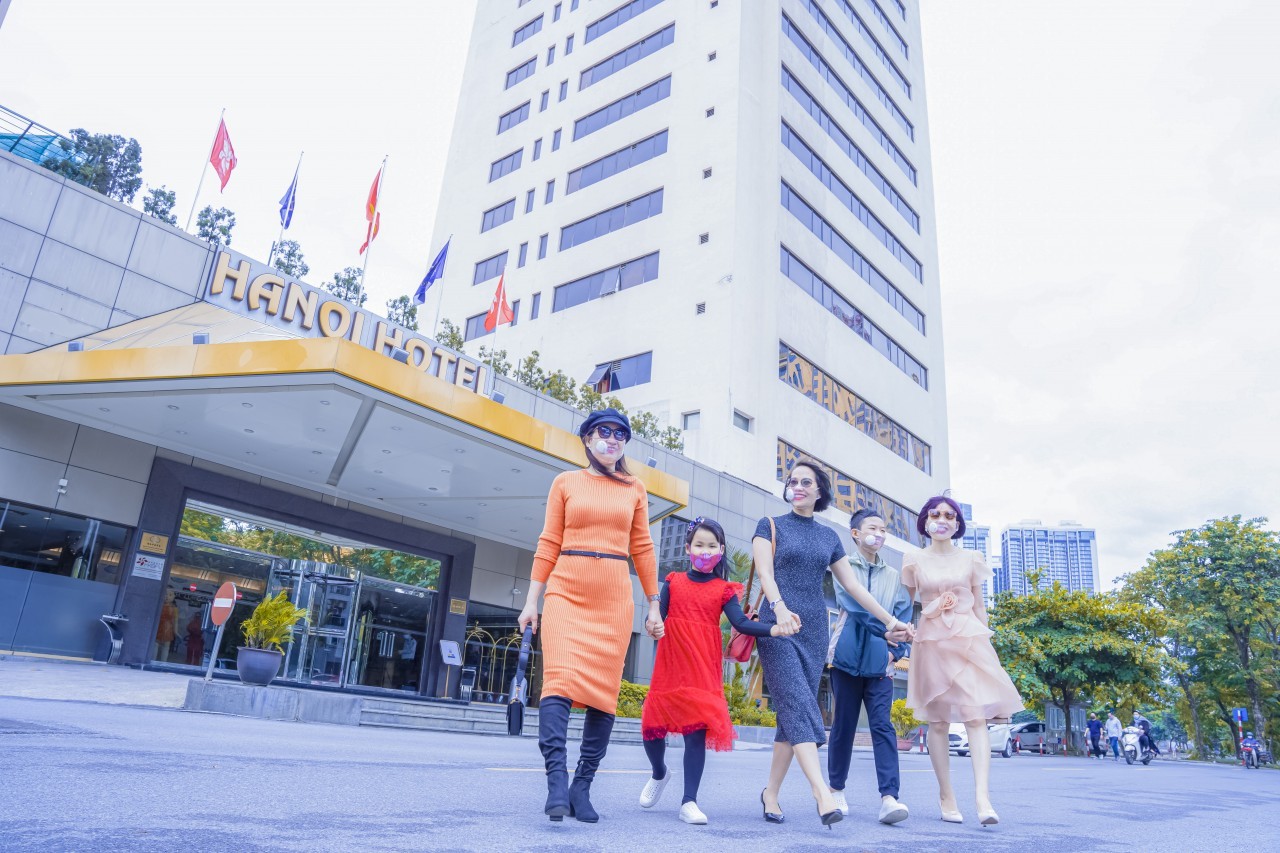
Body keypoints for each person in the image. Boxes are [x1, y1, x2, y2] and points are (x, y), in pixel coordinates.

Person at [518, 408, 663, 823]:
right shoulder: (565, 482)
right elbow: (548, 542)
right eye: (605, 431)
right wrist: (532, 601)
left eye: (621, 434)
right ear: (587, 438)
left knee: (604, 691)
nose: (613, 439)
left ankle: (583, 786)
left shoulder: (634, 488)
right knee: (558, 683)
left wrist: (653, 604)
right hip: (566, 591)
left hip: (614, 598)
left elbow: (644, 548)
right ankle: (556, 783)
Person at [754, 459, 913, 830]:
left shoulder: (828, 537)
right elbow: (764, 573)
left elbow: (854, 588)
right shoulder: (771, 525)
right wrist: (778, 610)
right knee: (796, 701)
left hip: (812, 631)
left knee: (789, 716)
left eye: (806, 482)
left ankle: (771, 793)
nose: (798, 487)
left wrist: (890, 622)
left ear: (820, 491)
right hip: (777, 626)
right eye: (793, 481)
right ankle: (822, 793)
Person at [638, 517, 793, 825]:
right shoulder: (673, 581)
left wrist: (774, 629)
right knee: (651, 729)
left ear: (721, 551)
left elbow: (741, 623)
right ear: (687, 548)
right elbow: (659, 617)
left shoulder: (725, 589)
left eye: (711, 546)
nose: (705, 551)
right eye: (699, 545)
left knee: (695, 735)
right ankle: (659, 772)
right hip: (670, 665)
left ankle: (689, 801)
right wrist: (652, 624)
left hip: (702, 669)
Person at [901, 495, 1023, 826]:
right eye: (936, 514)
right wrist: (899, 633)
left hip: (968, 639)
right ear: (925, 520)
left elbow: (980, 604)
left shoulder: (972, 557)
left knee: (976, 717)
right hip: (930, 643)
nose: (942, 519)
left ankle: (983, 798)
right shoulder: (912, 558)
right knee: (937, 722)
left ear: (957, 524)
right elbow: (905, 603)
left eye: (949, 516)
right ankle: (947, 796)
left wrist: (988, 648)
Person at [826, 508, 913, 825]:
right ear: (855, 533)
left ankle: (889, 798)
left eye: (883, 529)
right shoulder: (842, 567)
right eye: (873, 528)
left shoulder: (893, 577)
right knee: (843, 727)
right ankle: (836, 790)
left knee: (883, 727)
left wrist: (896, 651)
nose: (879, 533)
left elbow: (904, 618)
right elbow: (855, 609)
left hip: (881, 666)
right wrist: (886, 629)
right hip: (845, 661)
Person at [154, 589, 178, 662]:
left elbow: (175, 621)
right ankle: (153, 660)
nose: (167, 596)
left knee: (166, 646)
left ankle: (163, 662)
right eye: (165, 594)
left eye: (170, 595)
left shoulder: (174, 609)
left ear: (174, 597)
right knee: (155, 645)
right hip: (158, 627)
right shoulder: (158, 606)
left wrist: (175, 631)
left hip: (168, 629)